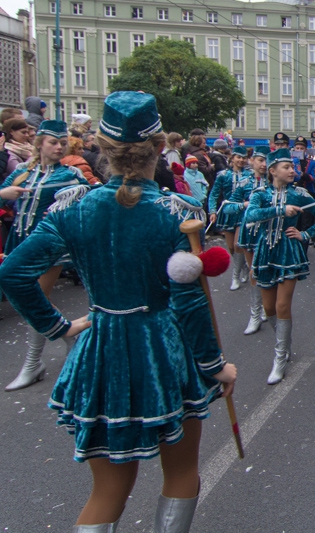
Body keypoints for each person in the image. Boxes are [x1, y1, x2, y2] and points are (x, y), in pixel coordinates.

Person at [0, 91, 236, 532]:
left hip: (101, 347)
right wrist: (214, 365)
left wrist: (59, 326)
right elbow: (189, 301)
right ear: (159, 147)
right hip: (164, 353)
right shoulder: (177, 213)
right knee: (181, 473)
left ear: (102, 148)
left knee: (107, 491)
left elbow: (13, 273)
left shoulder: (73, 207)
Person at [0, 119, 90, 391]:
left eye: (63, 142)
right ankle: (68, 336)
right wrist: (4, 193)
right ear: (39, 143)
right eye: (53, 142)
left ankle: (32, 363)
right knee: (30, 298)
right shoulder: (21, 174)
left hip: (51, 246)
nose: (59, 147)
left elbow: (90, 200)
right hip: (19, 240)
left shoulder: (71, 174)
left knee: (38, 296)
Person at [245, 148, 315, 384]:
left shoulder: (300, 194)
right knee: (269, 308)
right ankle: (284, 342)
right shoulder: (260, 194)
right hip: (264, 252)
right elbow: (250, 216)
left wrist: (305, 235)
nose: (292, 171)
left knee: (282, 306)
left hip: (288, 252)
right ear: (273, 171)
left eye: (293, 167)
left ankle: (280, 357)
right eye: (287, 167)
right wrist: (280, 210)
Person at [224, 145, 270, 335]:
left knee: (268, 271)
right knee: (254, 272)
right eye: (260, 160)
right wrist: (244, 205)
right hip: (250, 232)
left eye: (267, 161)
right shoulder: (244, 183)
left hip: (270, 232)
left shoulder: (277, 183)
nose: (264, 164)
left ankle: (268, 307)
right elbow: (228, 207)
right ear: (252, 161)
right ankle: (255, 314)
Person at [208, 145, 252, 290]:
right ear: (232, 158)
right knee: (231, 247)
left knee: (238, 244)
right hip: (227, 212)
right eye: (238, 157)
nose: (241, 160)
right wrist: (212, 211)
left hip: (243, 212)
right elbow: (214, 194)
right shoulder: (222, 175)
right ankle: (244, 267)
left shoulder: (249, 175)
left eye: (244, 158)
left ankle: (235, 276)